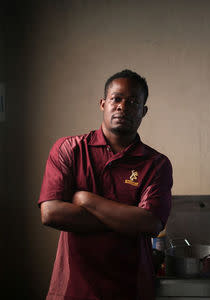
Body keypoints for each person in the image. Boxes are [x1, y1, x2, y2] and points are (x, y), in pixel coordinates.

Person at [38, 69, 173, 300]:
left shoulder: (156, 164)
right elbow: (51, 213)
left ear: (144, 111)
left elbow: (150, 223)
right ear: (103, 104)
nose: (123, 106)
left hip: (130, 289)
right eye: (116, 99)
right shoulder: (69, 149)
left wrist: (86, 200)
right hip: (72, 289)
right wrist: (127, 221)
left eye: (133, 102)